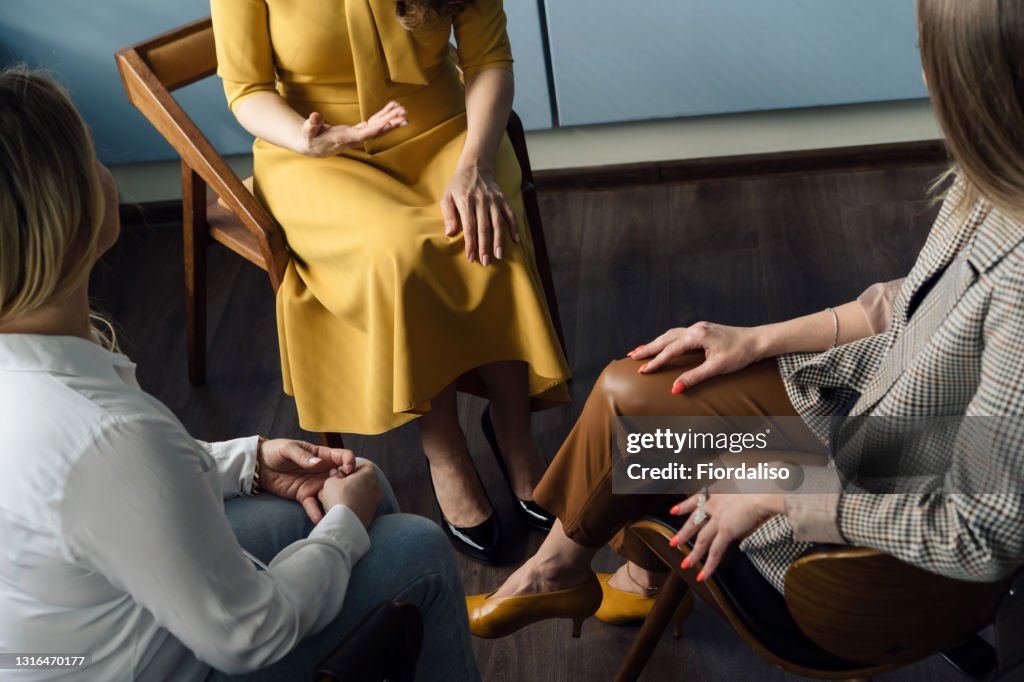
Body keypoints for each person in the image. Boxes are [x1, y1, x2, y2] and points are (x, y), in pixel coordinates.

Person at [466, 0, 1024, 638]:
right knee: (638, 387)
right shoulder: (998, 170)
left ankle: (601, 576)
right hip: (872, 416)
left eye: (932, 56)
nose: (924, 74)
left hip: (876, 518)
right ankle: (582, 574)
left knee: (643, 434)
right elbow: (908, 299)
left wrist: (781, 490)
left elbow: (983, 535)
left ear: (982, 79)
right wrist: (756, 339)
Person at [0, 68, 479, 681]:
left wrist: (249, 459)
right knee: (415, 548)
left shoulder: (47, 371)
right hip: (166, 660)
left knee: (359, 479)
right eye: (90, 155)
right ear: (66, 210)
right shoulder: (105, 436)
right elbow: (249, 635)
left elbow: (104, 494)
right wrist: (341, 531)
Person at [210, 0, 571, 563]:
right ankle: (444, 448)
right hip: (319, 150)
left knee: (485, 234)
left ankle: (515, 431)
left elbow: (489, 61)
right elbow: (246, 89)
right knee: (398, 255)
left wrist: (473, 165)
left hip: (451, 131)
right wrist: (309, 140)